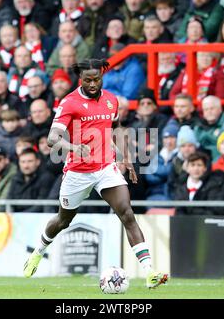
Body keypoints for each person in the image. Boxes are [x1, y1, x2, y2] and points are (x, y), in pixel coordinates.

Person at [23, 59, 169, 289]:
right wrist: (73, 147)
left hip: (105, 167)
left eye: (97, 79)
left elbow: (116, 127)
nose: (92, 84)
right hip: (77, 172)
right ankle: (38, 251)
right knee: (63, 220)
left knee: (127, 213)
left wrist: (125, 156)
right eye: (87, 80)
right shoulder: (69, 102)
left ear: (102, 77)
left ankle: (150, 272)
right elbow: (52, 138)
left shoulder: (111, 100)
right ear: (80, 79)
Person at [194, 95, 224, 162]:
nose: (209, 112)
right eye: (206, 109)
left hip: (222, 163)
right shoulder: (198, 127)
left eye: (212, 108)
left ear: (220, 109)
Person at [8, 147, 55, 212]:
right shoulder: (15, 178)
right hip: (15, 218)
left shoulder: (46, 178)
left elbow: (41, 204)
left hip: (37, 218)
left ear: (38, 162)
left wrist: (21, 216)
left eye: (30, 161)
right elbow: (9, 201)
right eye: (23, 162)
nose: (26, 166)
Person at [144, 125, 178, 201]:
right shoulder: (158, 154)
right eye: (166, 137)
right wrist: (166, 176)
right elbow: (148, 176)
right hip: (153, 194)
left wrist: (158, 173)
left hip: (172, 196)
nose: (169, 141)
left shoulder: (179, 155)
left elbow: (172, 173)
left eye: (172, 137)